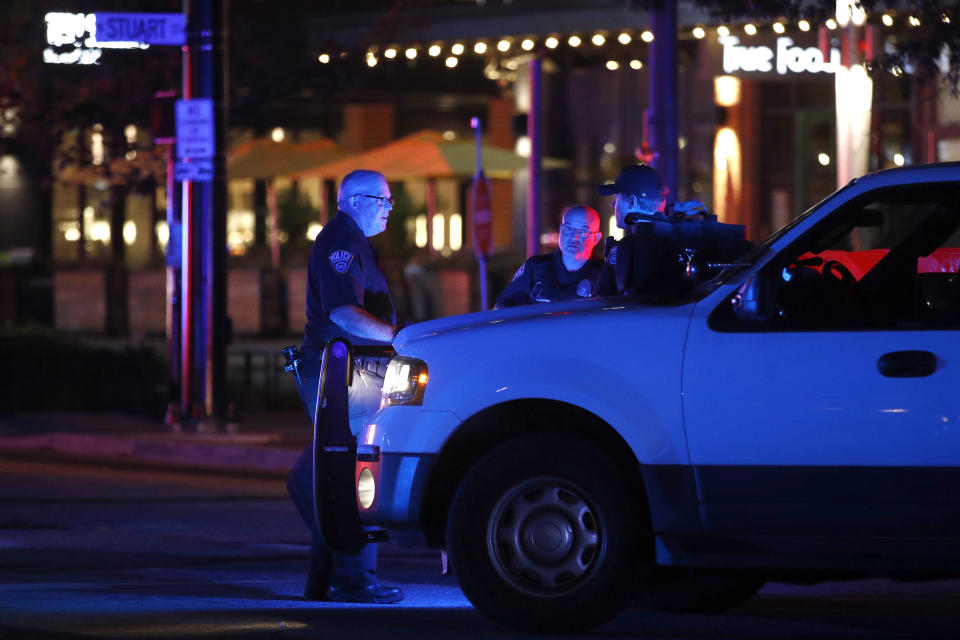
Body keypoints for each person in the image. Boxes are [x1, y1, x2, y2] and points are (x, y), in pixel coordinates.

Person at [287, 169, 404, 604]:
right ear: (357, 200)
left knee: (327, 471)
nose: (389, 208)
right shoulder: (342, 241)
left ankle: (324, 579)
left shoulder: (350, 240)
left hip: (344, 370)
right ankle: (353, 577)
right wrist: (397, 336)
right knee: (352, 472)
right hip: (342, 372)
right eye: (384, 200)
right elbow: (343, 312)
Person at [595, 163, 682, 297]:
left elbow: (603, 303)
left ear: (632, 201)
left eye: (616, 198)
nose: (613, 204)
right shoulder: (680, 241)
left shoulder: (626, 249)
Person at [495, 205, 604, 308]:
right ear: (560, 229)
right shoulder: (534, 268)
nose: (574, 237)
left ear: (597, 238)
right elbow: (503, 306)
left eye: (582, 232)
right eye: (568, 229)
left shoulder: (604, 274)